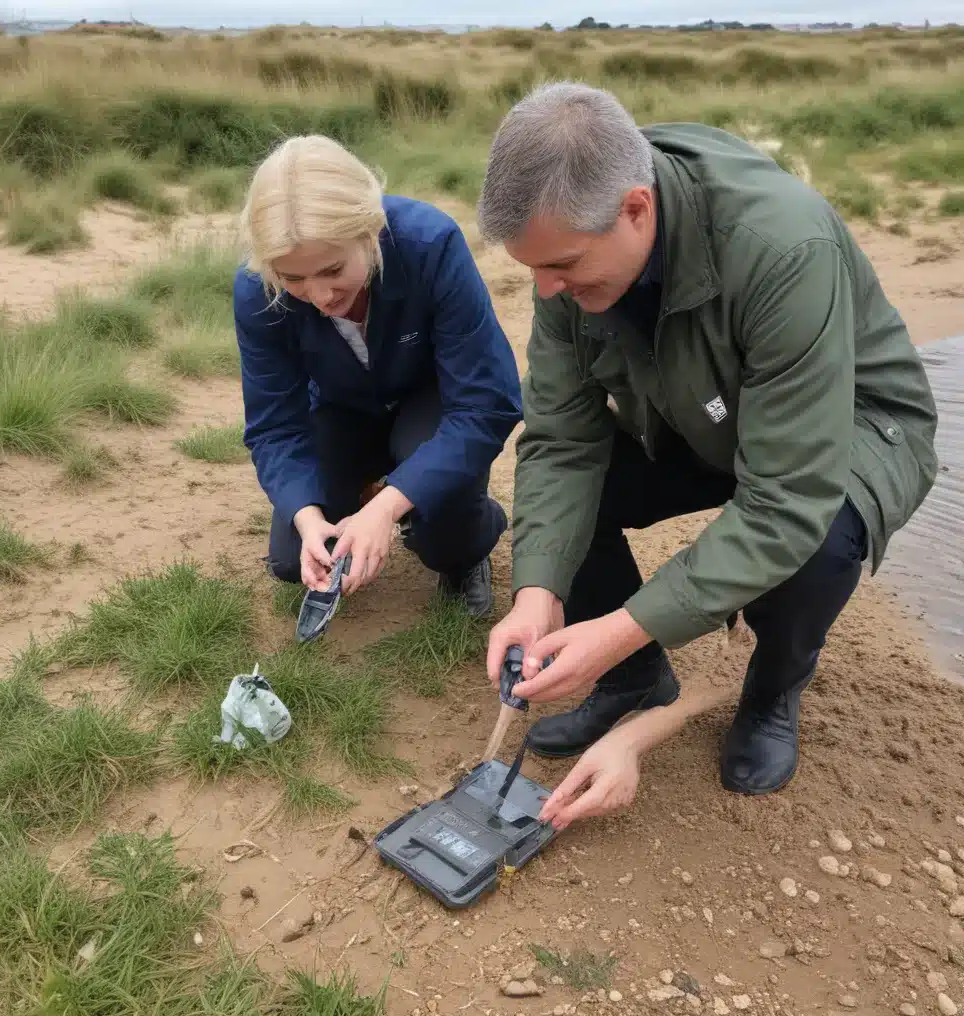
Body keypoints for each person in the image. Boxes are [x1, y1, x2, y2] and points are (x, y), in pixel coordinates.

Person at [478, 82, 938, 818]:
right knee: (574, 497)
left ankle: (773, 689)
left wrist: (621, 624)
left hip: (845, 429)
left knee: (814, 543)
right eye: (530, 268)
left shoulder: (785, 247)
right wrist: (540, 595)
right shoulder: (566, 251)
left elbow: (787, 499)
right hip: (698, 413)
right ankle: (632, 678)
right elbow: (562, 441)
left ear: (636, 208)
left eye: (561, 265)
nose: (546, 289)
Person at [235, 134, 522, 619]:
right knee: (289, 560)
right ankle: (374, 487)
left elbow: (486, 403)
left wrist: (387, 509)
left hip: (430, 400)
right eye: (293, 278)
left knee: (443, 536)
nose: (319, 295)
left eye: (332, 269)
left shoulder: (431, 244)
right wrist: (307, 521)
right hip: (340, 407)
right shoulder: (256, 292)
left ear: (369, 230)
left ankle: (471, 531)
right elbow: (274, 427)